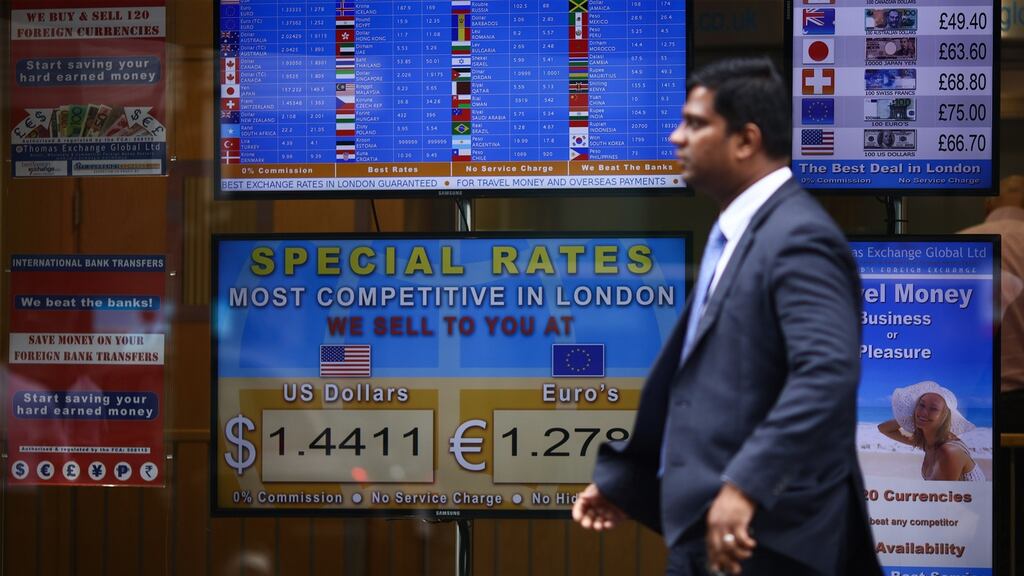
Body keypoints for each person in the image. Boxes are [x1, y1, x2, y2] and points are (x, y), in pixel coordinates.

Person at [571, 58, 882, 576]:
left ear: (745, 140)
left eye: (695, 124)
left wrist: (745, 486)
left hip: (765, 536)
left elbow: (827, 372)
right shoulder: (741, 237)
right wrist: (626, 480)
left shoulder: (798, 238)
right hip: (714, 527)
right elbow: (707, 387)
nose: (676, 138)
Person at [877, 381, 985, 481]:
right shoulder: (928, 440)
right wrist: (913, 415)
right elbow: (883, 429)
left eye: (933, 408)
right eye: (921, 405)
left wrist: (919, 416)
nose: (924, 412)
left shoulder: (948, 451)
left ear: (945, 416)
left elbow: (941, 499)